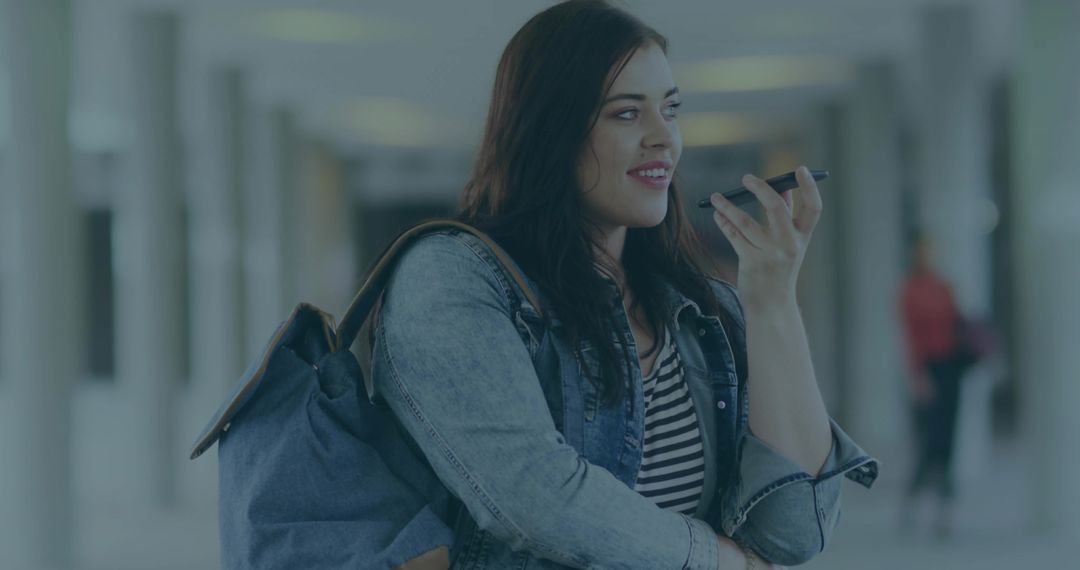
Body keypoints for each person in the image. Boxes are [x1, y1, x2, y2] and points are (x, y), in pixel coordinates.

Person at [372, 1, 877, 568]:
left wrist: (772, 298)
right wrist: (719, 561)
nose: (665, 138)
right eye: (626, 114)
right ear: (550, 132)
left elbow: (792, 534)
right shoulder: (453, 278)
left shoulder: (694, 309)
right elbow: (536, 496)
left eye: (671, 109)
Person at [898, 235, 967, 538]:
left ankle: (945, 513)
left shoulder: (945, 287)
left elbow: (957, 327)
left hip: (950, 370)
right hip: (928, 371)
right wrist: (917, 378)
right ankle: (913, 504)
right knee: (929, 443)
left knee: (948, 442)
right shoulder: (909, 291)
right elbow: (911, 339)